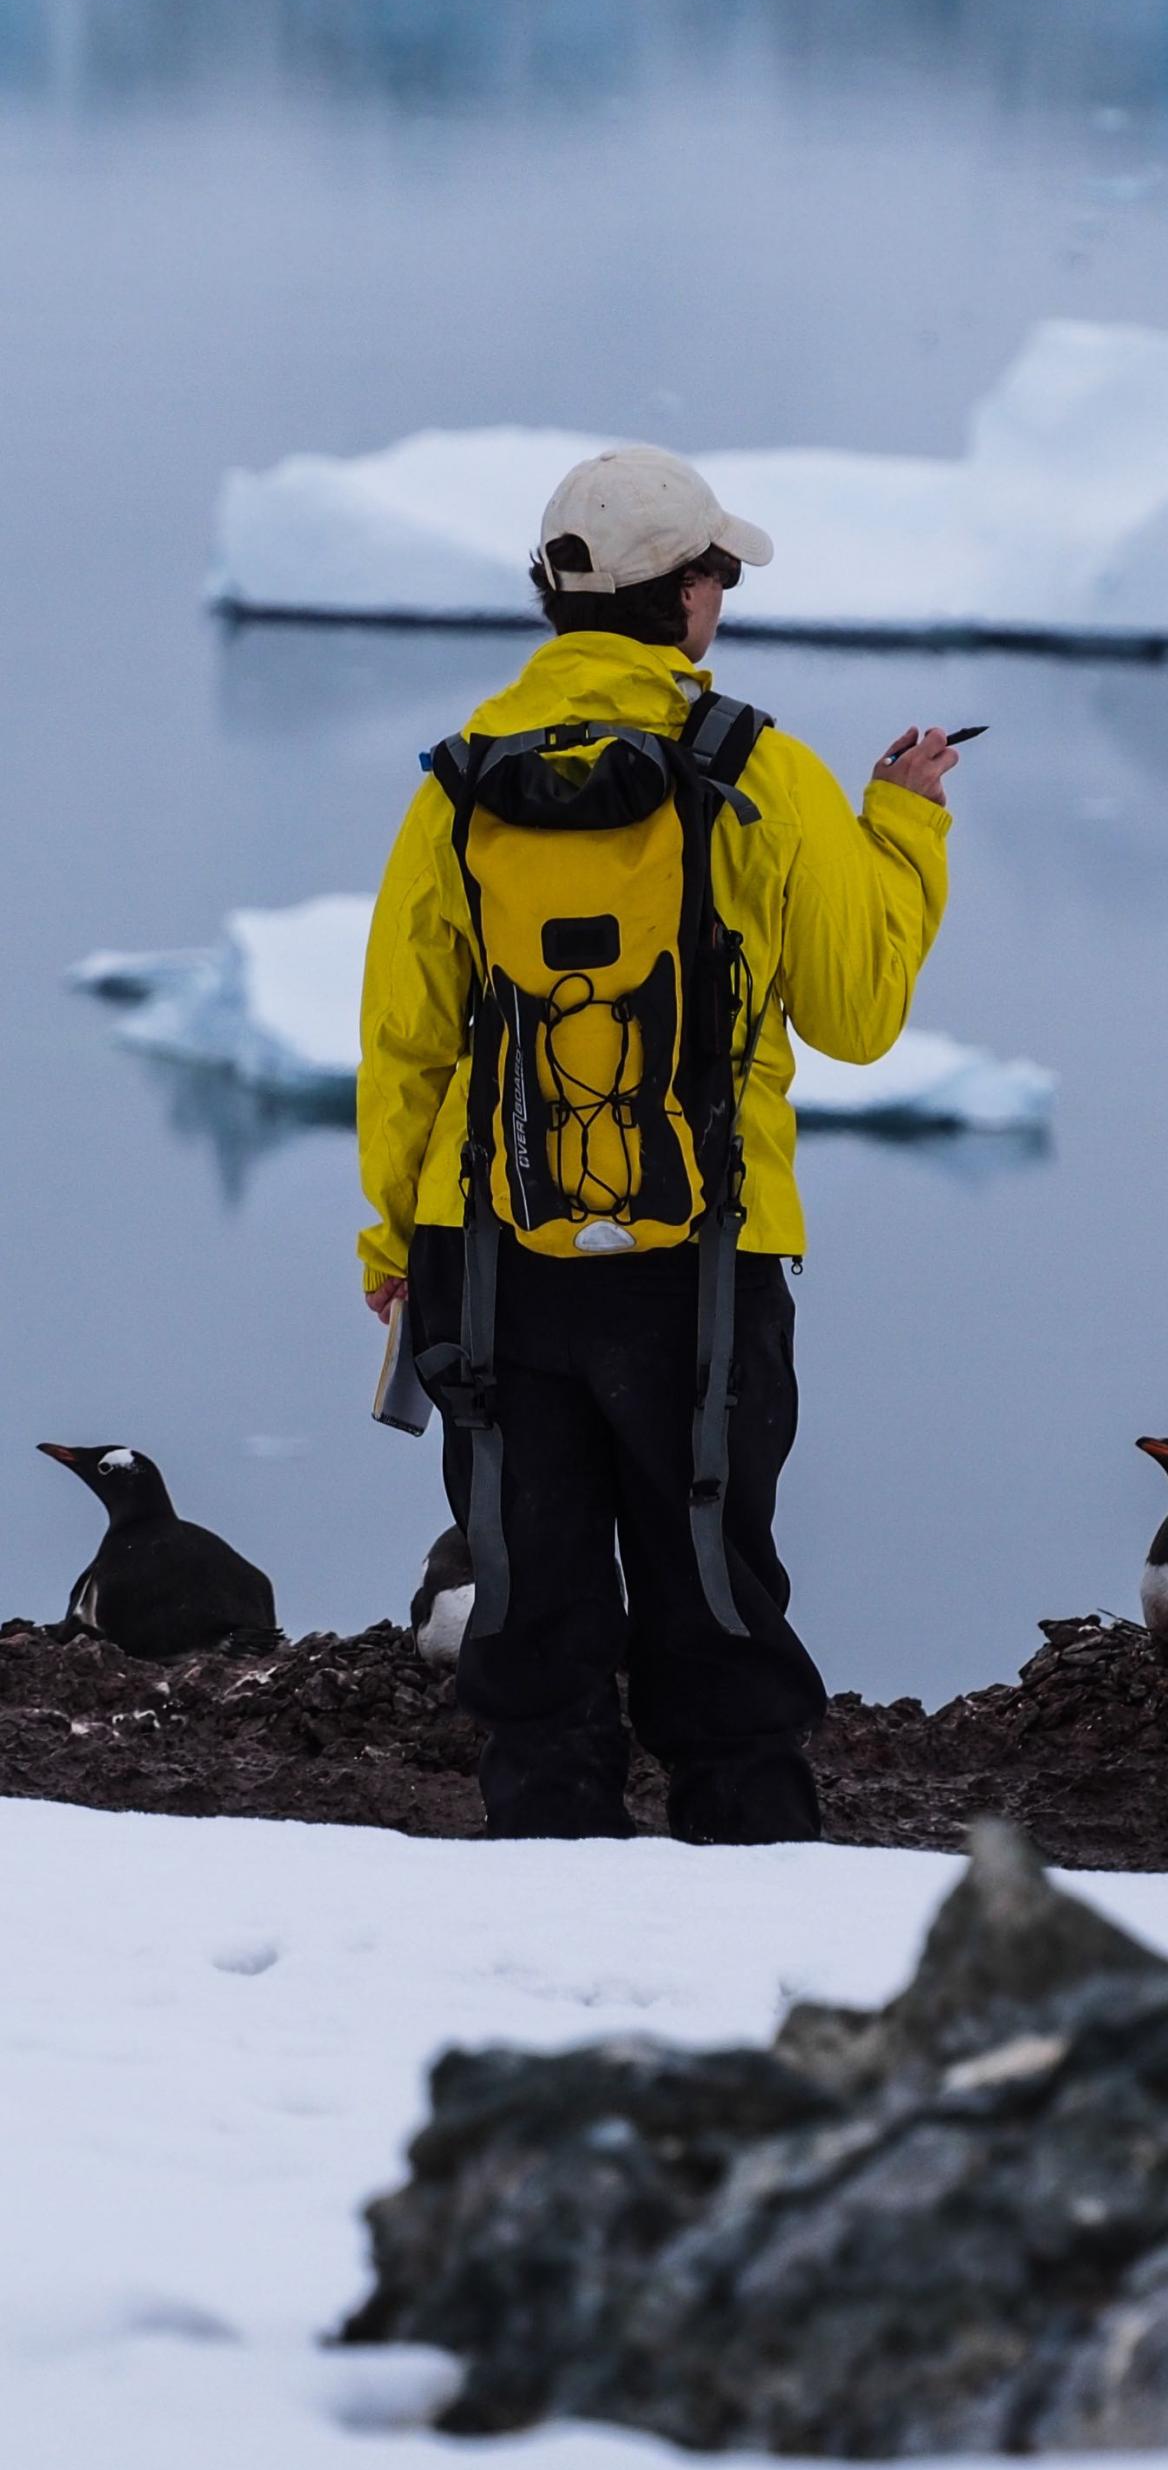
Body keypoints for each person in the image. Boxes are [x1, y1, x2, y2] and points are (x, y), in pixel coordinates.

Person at [357, 444, 954, 1844]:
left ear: (554, 600)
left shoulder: (457, 788)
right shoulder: (757, 769)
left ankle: (547, 1863)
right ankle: (744, 1867)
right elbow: (856, 1016)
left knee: (530, 1584)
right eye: (718, 574)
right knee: (710, 1574)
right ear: (686, 597)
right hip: (704, 1247)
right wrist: (906, 832)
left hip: (489, 1247)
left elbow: (407, 1044)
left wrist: (397, 1242)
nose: (722, 598)